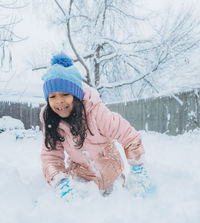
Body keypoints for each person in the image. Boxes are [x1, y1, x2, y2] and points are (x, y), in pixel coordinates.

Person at [40, 52, 152, 201]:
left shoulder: (97, 113)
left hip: (112, 173)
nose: (59, 101)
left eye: (65, 94)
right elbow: (51, 156)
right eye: (52, 97)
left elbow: (128, 135)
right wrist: (61, 182)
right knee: (84, 211)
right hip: (82, 177)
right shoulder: (53, 124)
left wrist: (138, 168)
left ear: (76, 95)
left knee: (120, 204)